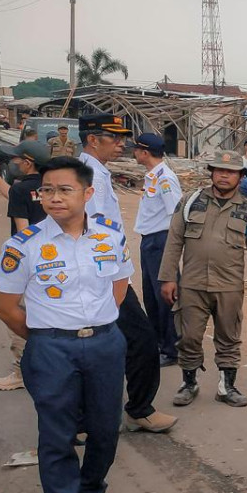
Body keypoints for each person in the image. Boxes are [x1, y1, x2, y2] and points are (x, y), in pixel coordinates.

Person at [0, 156, 132, 493]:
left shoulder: (110, 235)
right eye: (47, 190)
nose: (54, 198)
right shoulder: (24, 245)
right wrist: (46, 336)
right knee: (57, 437)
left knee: (105, 429)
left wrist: (98, 324)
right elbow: (4, 305)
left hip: (105, 344)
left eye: (64, 189)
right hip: (52, 350)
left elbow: (119, 284)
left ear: (88, 193)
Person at [78, 114, 175, 433]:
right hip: (102, 276)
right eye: (115, 137)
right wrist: (114, 280)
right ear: (93, 140)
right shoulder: (88, 175)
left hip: (111, 272)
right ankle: (136, 410)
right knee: (140, 340)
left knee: (111, 343)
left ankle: (89, 417)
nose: (122, 144)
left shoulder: (96, 172)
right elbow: (92, 231)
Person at [159, 151, 247, 408]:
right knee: (188, 336)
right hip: (192, 284)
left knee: (229, 338)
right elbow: (174, 241)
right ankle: (189, 383)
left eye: (230, 172)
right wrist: (168, 277)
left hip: (229, 286)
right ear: (212, 173)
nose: (224, 175)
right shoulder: (190, 201)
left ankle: (226, 386)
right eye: (219, 170)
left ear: (240, 177)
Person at [0, 140, 49, 391]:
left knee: (17, 312)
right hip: (54, 258)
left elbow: (24, 231)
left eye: (16, 159)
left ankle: (21, 371)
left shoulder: (20, 190)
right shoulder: (52, 186)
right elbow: (17, 197)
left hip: (28, 261)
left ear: (27, 163)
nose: (13, 163)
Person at [132, 134, 182, 368]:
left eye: (136, 150)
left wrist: (172, 250)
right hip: (149, 241)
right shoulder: (153, 176)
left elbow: (176, 215)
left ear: (144, 152)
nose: (133, 153)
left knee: (165, 297)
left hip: (161, 242)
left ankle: (172, 348)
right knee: (151, 296)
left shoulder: (165, 178)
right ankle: (160, 343)